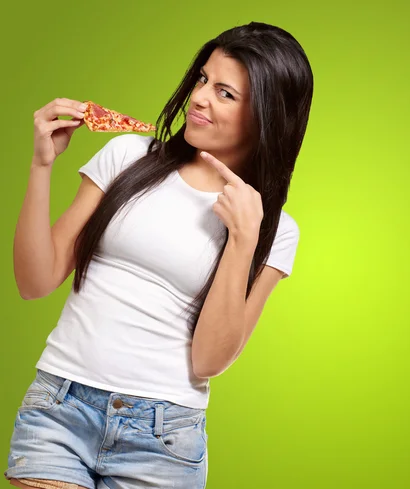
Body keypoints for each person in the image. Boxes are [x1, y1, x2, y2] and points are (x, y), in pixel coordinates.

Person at [5, 21, 313, 489]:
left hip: (164, 437)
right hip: (59, 408)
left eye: (226, 93)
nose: (200, 97)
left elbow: (209, 360)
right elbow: (34, 282)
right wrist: (41, 165)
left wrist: (244, 238)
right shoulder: (127, 155)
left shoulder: (275, 230)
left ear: (266, 115)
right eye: (203, 79)